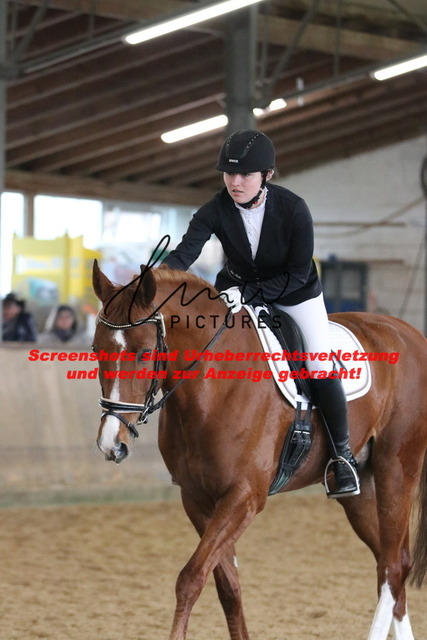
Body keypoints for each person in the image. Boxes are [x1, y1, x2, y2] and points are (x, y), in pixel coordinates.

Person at [161, 129, 359, 498]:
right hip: (236, 293)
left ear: (266, 175)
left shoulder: (293, 208)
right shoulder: (214, 209)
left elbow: (297, 273)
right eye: (229, 174)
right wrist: (154, 280)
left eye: (245, 175)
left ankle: (342, 457)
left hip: (296, 295)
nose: (235, 182)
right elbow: (184, 254)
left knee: (318, 362)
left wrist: (249, 294)